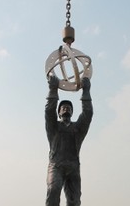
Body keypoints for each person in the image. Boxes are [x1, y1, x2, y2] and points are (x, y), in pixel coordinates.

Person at [45, 76, 93, 206]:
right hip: (56, 166)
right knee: (53, 190)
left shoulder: (77, 129)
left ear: (72, 112)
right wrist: (53, 90)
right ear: (59, 113)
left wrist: (86, 91)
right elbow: (49, 111)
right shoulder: (53, 127)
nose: (66, 108)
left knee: (74, 200)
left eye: (68, 107)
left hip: (73, 167)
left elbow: (87, 114)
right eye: (63, 107)